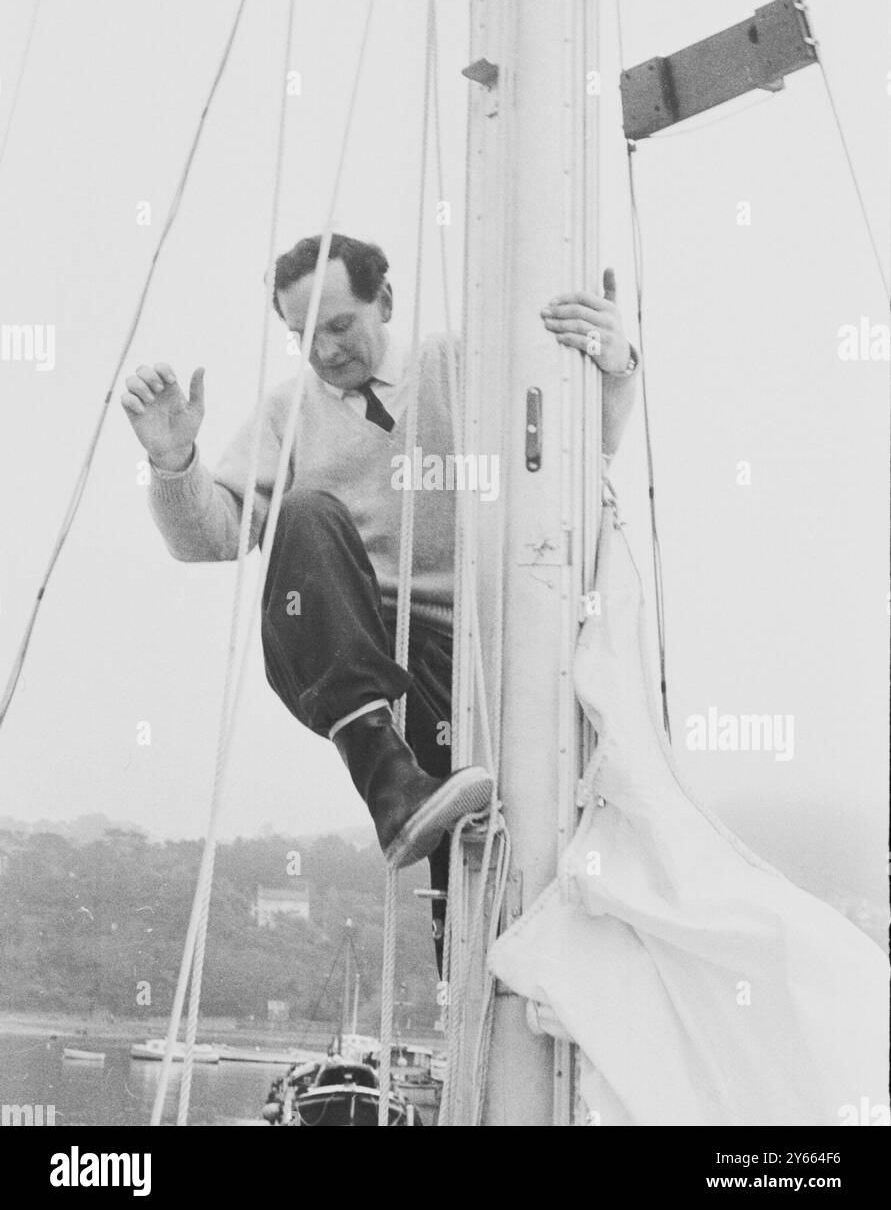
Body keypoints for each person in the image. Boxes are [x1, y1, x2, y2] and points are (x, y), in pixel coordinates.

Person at [120, 233, 637, 963]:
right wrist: (172, 460)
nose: (324, 352)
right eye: (302, 336)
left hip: (474, 669)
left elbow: (579, 453)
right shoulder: (286, 412)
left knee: (480, 918)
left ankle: (461, 955)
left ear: (383, 302)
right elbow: (214, 538)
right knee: (302, 510)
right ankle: (386, 780)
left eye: (338, 326)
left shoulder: (459, 367)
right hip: (345, 655)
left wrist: (613, 367)